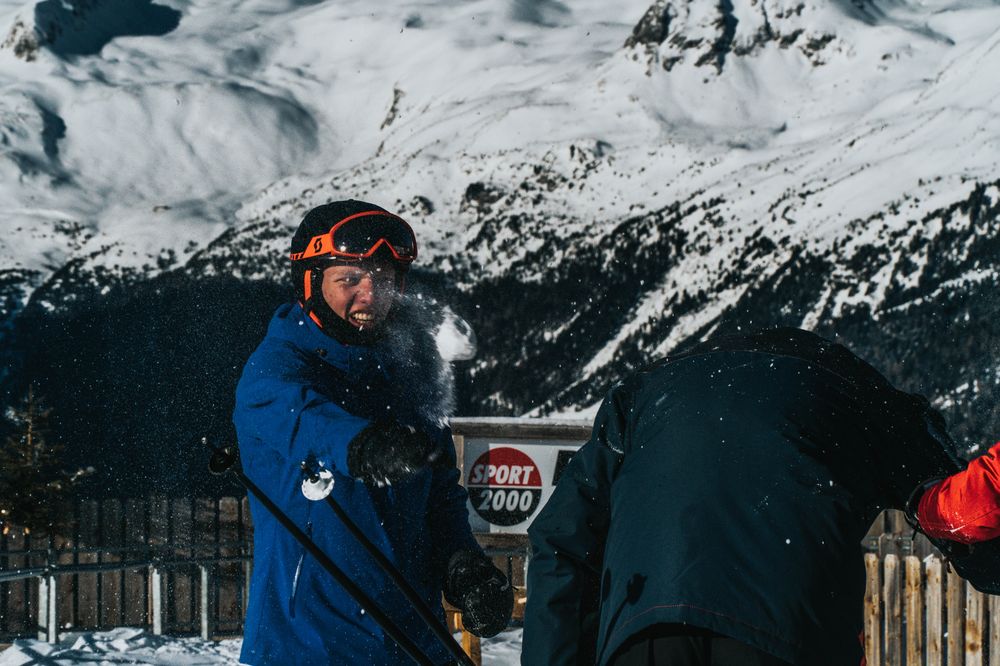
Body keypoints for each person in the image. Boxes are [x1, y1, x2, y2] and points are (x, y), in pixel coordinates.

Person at [522, 327, 972, 666]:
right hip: (790, 631)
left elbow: (560, 540)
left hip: (645, 633)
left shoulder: (644, 393)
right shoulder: (858, 395)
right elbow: (962, 504)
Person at [234, 200, 512, 665]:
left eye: (383, 280)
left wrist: (462, 566)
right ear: (311, 282)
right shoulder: (277, 368)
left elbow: (439, 496)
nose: (370, 295)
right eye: (349, 280)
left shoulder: (410, 372)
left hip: (416, 645)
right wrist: (362, 446)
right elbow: (306, 421)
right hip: (309, 647)